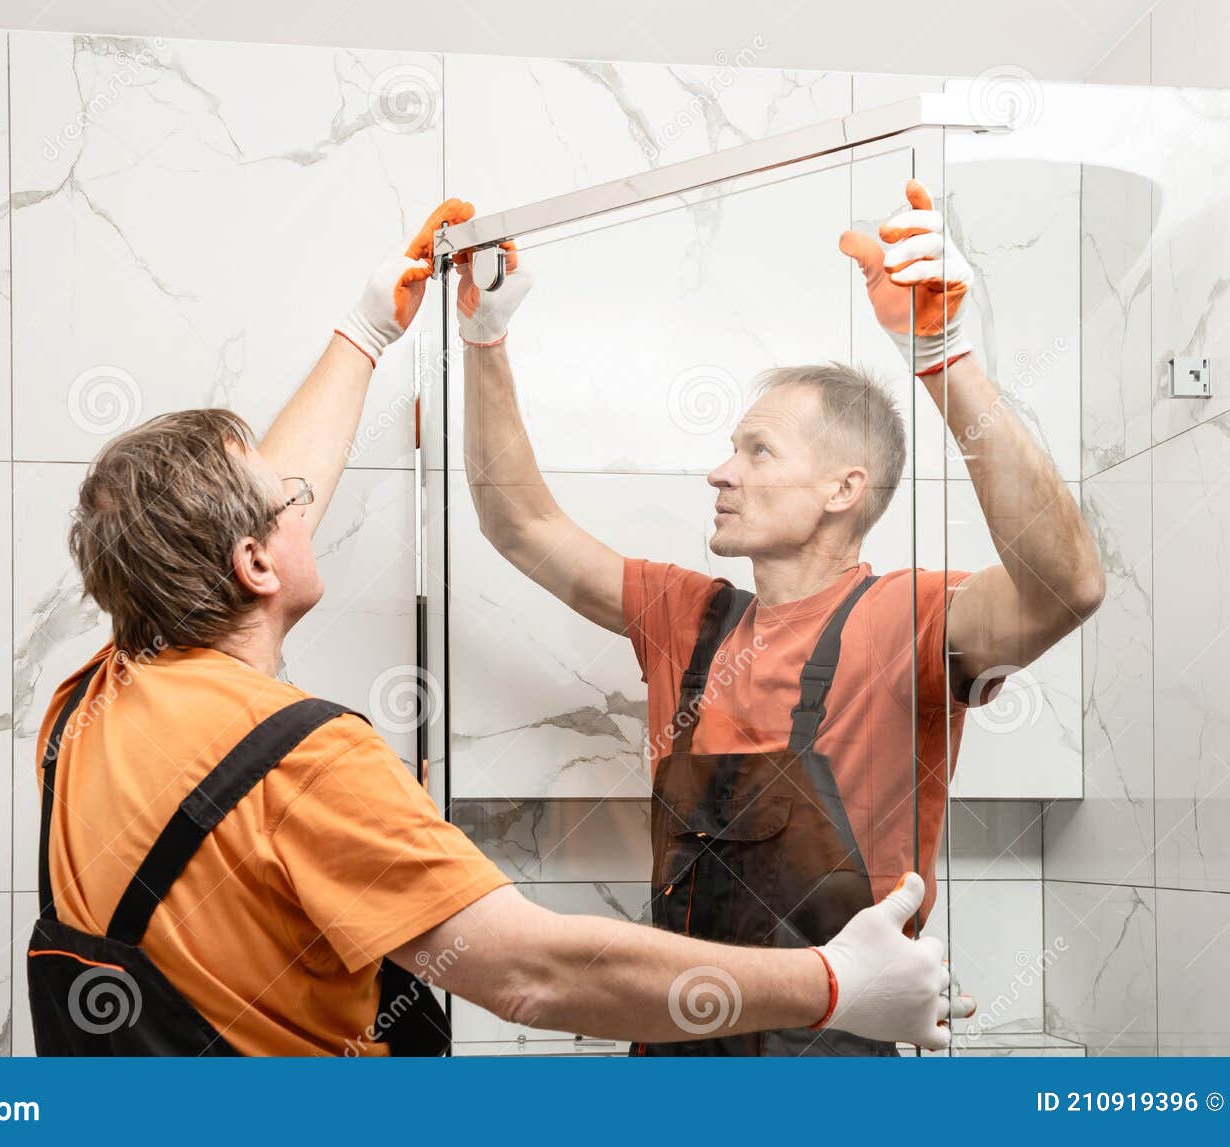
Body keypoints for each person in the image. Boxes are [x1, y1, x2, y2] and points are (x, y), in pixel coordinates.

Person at [25, 201, 963, 1058]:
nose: (306, 496)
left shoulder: (92, 701)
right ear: (256, 563)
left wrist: (365, 332)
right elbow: (535, 970)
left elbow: (216, 524)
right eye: (292, 503)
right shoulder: (302, 759)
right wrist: (836, 983)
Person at [459, 180, 1104, 1056]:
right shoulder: (686, 616)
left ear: (845, 489)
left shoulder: (910, 617)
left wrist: (946, 356)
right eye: (730, 448)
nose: (720, 472)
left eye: (756, 450)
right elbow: (520, 524)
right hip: (675, 1052)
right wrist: (484, 340)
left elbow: (1067, 585)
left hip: (835, 1065)